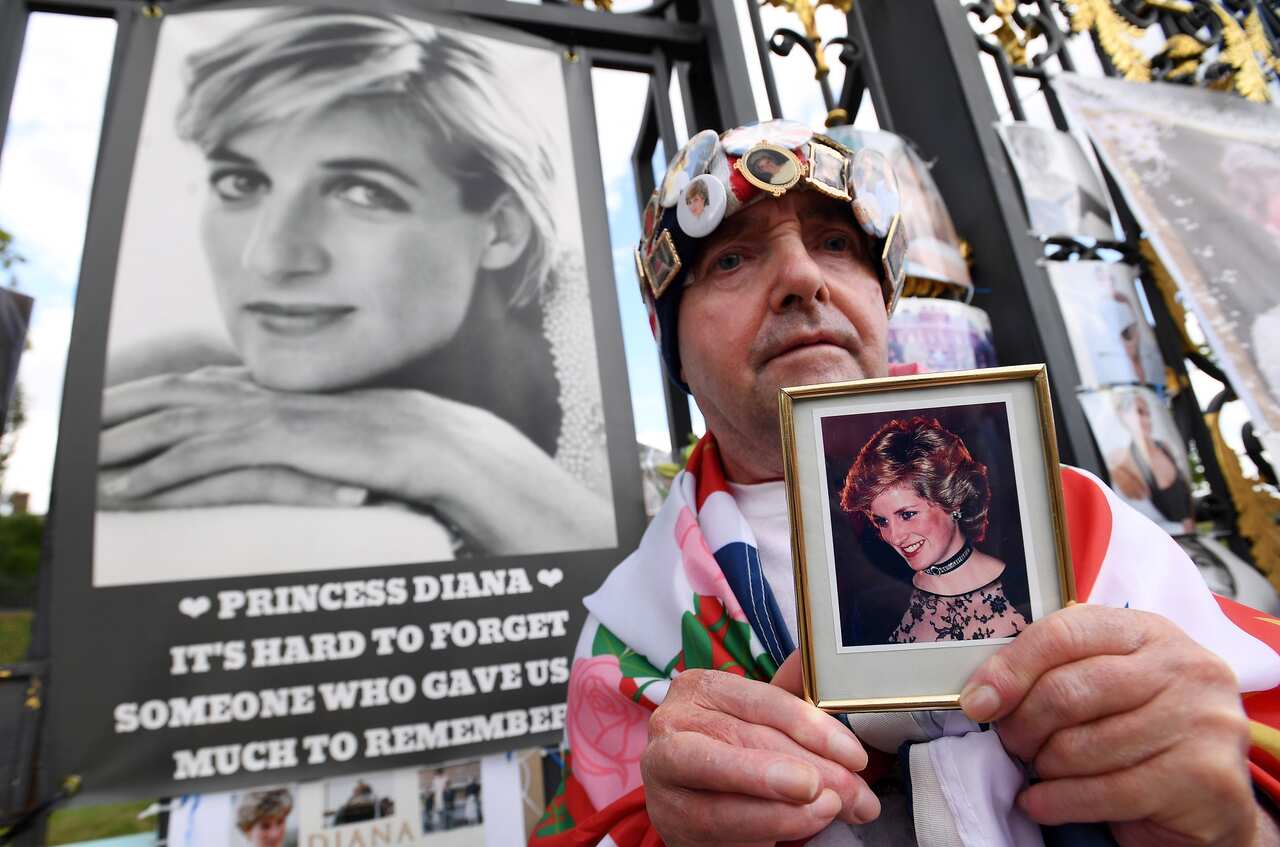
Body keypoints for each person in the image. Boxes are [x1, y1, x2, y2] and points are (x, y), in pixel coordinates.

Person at [531, 120, 1280, 847]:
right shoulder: (629, 640)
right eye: (731, 259)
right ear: (674, 349)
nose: (801, 278)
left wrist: (1238, 824)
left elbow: (1250, 731)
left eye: (835, 243)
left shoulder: (1078, 516)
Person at [95, 9, 612, 559]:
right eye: (241, 181)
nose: (270, 257)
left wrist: (451, 450)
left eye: (363, 192)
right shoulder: (180, 385)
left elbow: (675, 615)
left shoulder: (616, 350)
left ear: (501, 229)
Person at [839, 416, 1028, 644]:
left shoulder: (1025, 592)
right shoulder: (872, 611)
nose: (895, 536)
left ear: (954, 500)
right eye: (882, 522)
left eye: (907, 515)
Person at [1105, 390, 1195, 533]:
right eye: (1139, 412)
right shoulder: (1123, 466)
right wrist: (1180, 528)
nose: (1146, 420)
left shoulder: (1165, 448)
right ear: (1123, 415)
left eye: (1147, 413)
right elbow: (1137, 521)